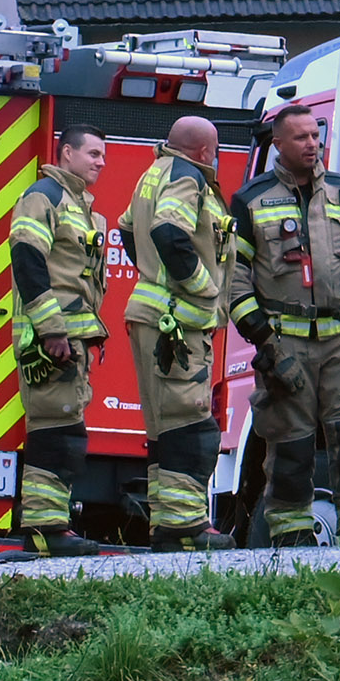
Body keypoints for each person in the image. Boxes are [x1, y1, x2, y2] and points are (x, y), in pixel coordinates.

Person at [237, 96, 340, 545]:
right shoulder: (251, 200)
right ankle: (290, 533)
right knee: (290, 444)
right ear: (278, 144)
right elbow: (234, 277)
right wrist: (262, 338)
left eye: (316, 135)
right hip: (285, 345)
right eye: (301, 137)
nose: (312, 144)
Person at [120, 117, 237, 551]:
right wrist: (200, 285)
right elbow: (168, 231)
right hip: (178, 324)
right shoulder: (189, 178)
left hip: (153, 317)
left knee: (165, 428)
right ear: (205, 151)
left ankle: (167, 525)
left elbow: (127, 227)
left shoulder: (154, 172)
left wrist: (153, 273)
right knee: (191, 423)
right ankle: (186, 525)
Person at [5, 127, 110, 556]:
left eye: (103, 155)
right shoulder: (43, 196)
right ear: (66, 152)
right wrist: (51, 328)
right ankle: (44, 530)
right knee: (56, 431)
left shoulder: (80, 206)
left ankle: (51, 527)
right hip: (52, 339)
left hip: (72, 338)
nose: (101, 162)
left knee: (66, 430)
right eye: (93, 153)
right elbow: (27, 257)